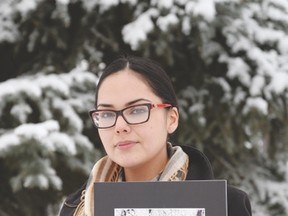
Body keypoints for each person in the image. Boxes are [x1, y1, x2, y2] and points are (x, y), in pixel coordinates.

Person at [59, 55, 252, 216]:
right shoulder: (75, 209)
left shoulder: (227, 206)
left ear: (172, 119)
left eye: (136, 110)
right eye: (107, 114)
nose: (119, 126)